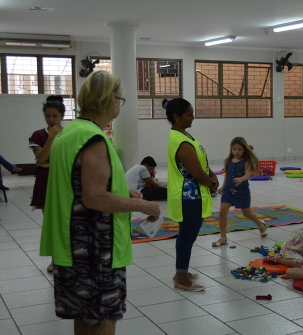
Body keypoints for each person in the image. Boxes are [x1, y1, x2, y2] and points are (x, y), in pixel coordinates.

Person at [39, 71, 160, 335]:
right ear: (109, 100)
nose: (120, 104)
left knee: (85, 315)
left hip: (73, 243)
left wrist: (123, 191)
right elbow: (94, 198)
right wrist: (143, 206)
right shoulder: (94, 139)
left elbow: (79, 184)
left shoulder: (70, 133)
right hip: (95, 248)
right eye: (120, 99)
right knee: (103, 317)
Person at [165, 98, 218, 292]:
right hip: (189, 197)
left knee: (186, 236)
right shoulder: (180, 141)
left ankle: (181, 271)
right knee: (187, 237)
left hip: (195, 194)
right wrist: (211, 182)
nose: (193, 117)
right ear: (176, 117)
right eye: (189, 115)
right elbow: (196, 173)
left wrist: (212, 174)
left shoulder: (185, 136)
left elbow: (201, 162)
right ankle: (181, 279)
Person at [29, 95, 65, 272]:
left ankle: (68, 258)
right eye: (47, 115)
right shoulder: (38, 135)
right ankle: (55, 259)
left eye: (55, 116)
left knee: (66, 221)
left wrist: (48, 163)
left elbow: (71, 161)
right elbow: (40, 157)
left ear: (62, 116)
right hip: (45, 181)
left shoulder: (69, 134)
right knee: (51, 222)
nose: (51, 120)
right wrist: (51, 137)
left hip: (64, 180)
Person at [212, 137, 268, 247]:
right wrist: (223, 187)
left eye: (239, 149)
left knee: (246, 214)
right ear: (231, 149)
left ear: (244, 150)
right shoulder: (228, 161)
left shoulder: (246, 162)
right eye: (234, 149)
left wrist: (241, 179)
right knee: (222, 212)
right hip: (228, 191)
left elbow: (248, 174)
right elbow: (227, 175)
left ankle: (260, 224)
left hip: (242, 192)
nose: (236, 152)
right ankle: (223, 238)